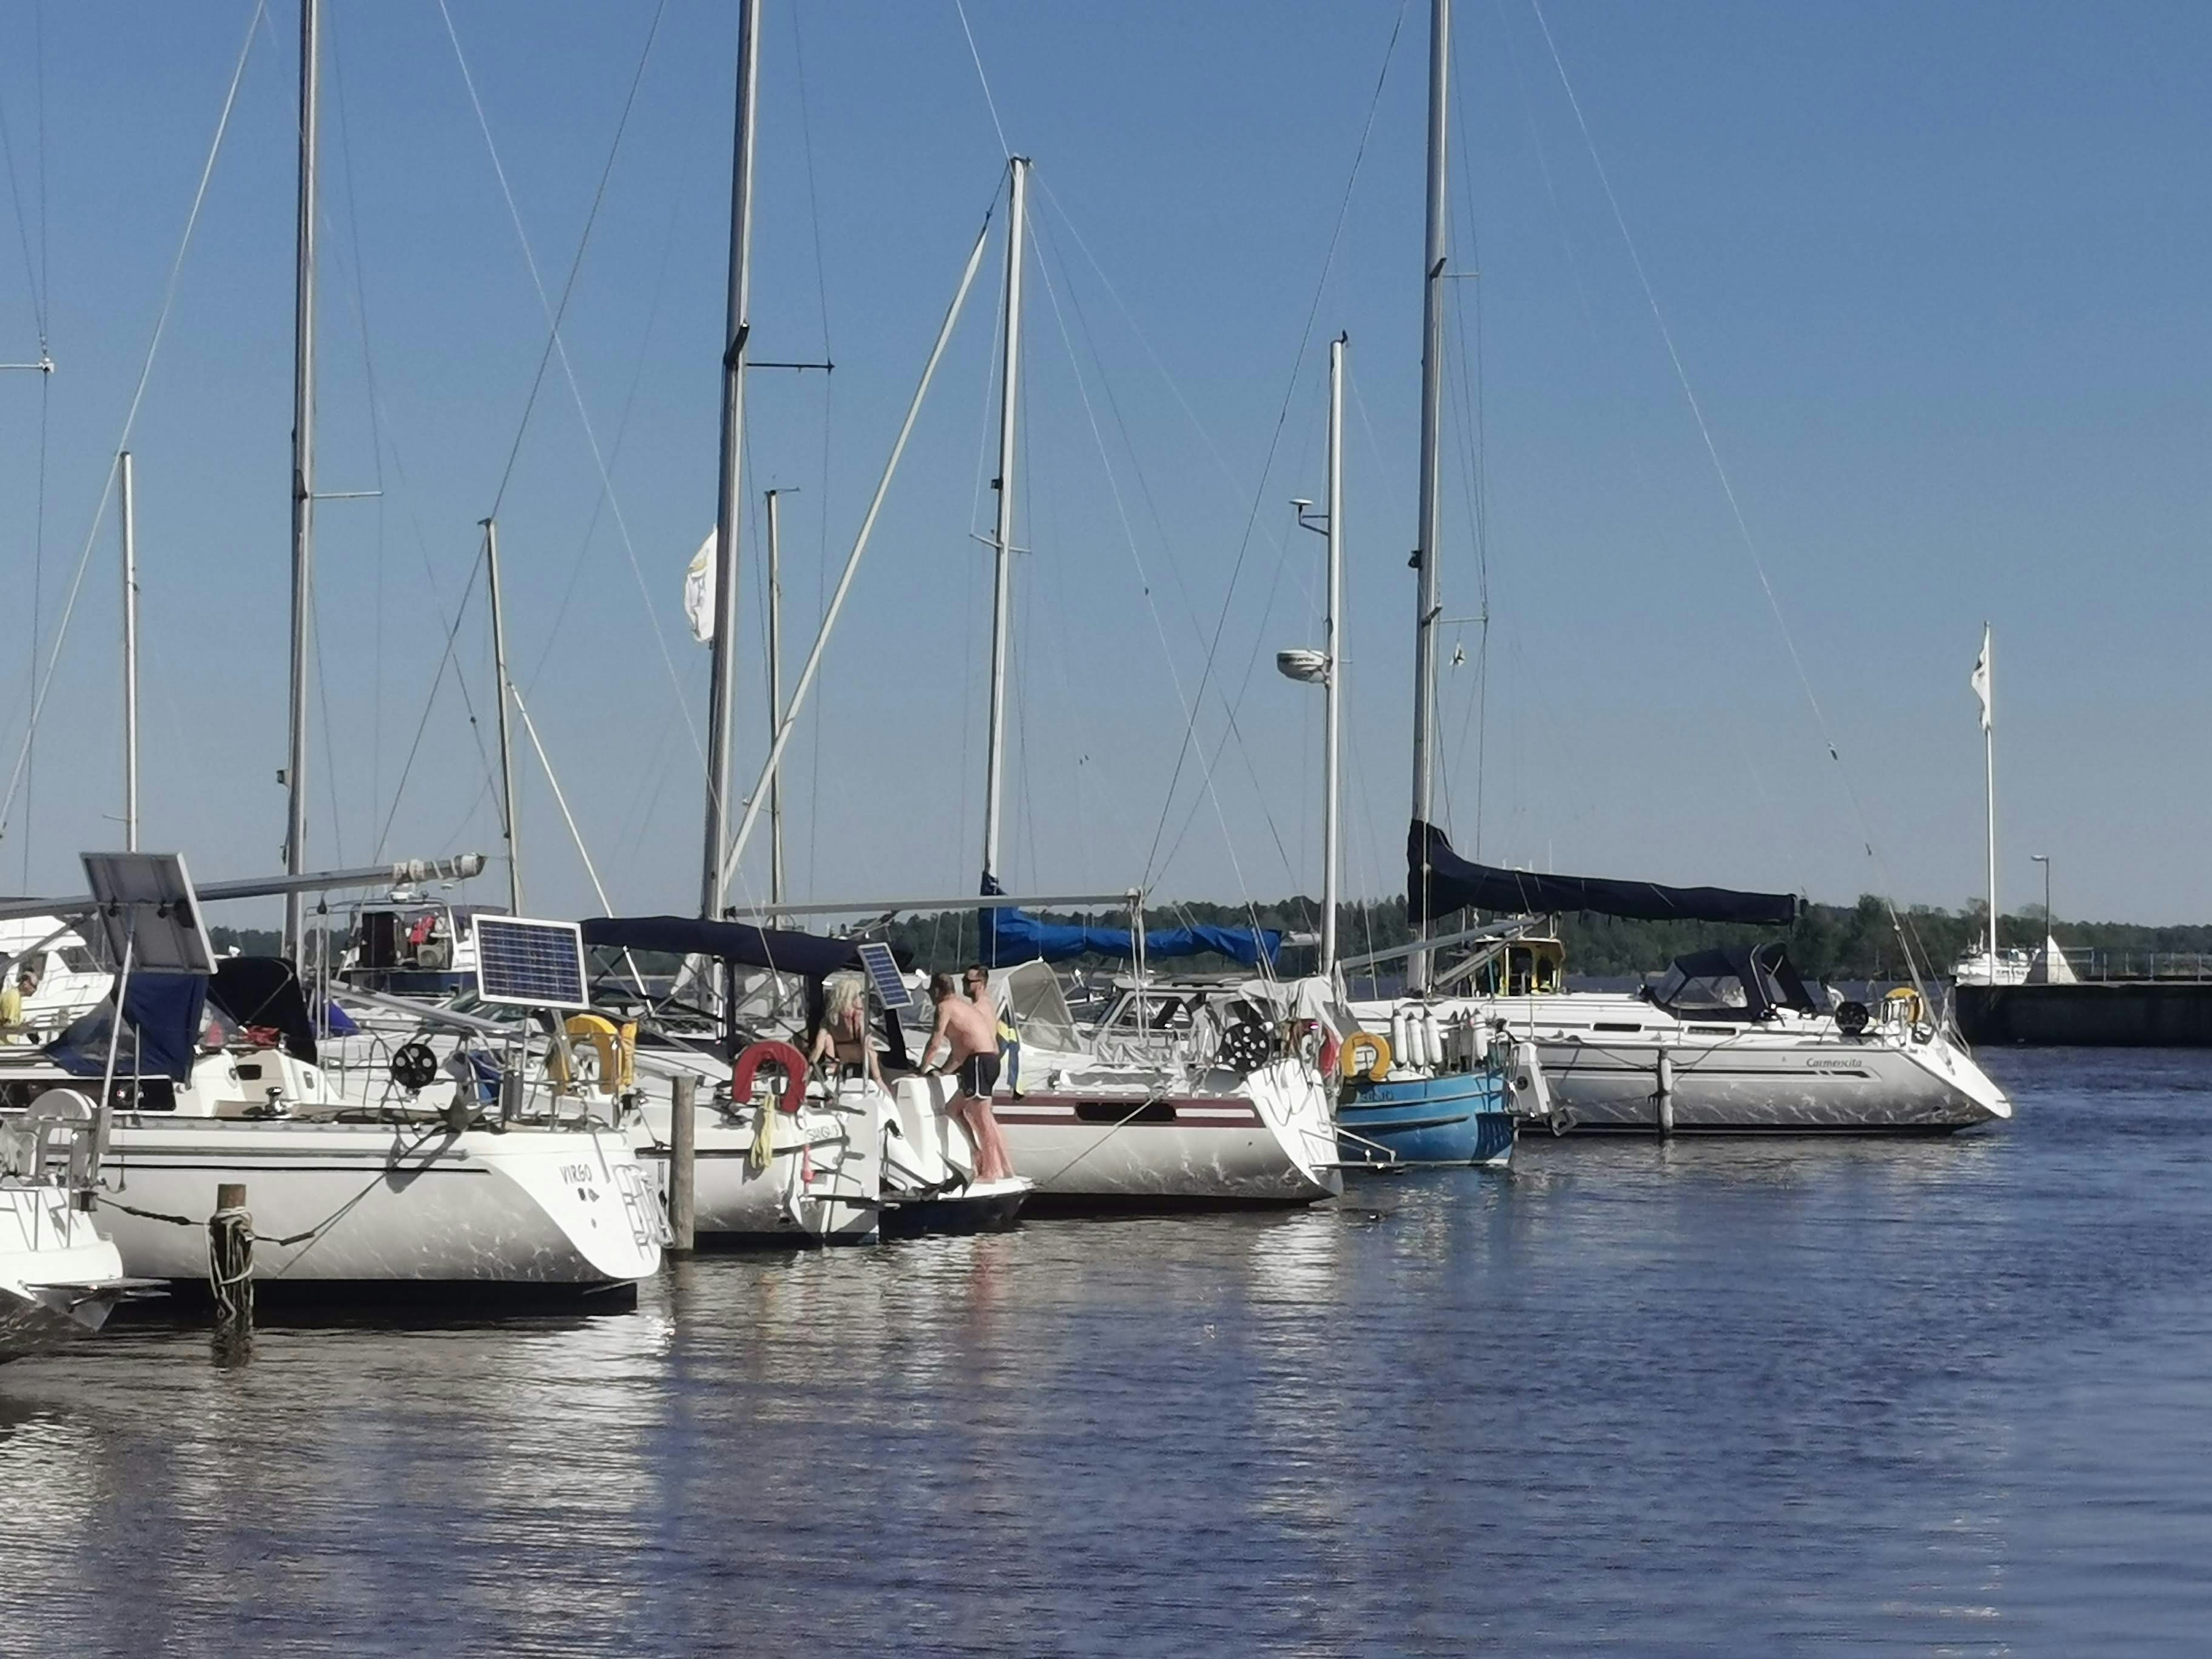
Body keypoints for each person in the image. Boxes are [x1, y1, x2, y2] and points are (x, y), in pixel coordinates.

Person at [923, 970, 1016, 1183]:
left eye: (930, 991)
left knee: (982, 1118)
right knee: (956, 1109)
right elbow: (962, 1048)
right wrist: (944, 1070)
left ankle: (991, 1171)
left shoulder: (945, 1007)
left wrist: (922, 1068)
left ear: (937, 991)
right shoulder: (966, 1007)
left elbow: (935, 1043)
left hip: (979, 1062)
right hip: (987, 1060)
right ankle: (994, 1163)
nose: (929, 996)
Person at [808, 972, 889, 1093]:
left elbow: (819, 1047)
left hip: (843, 1065)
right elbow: (868, 1048)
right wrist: (879, 1079)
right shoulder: (858, 1017)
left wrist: (807, 1072)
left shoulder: (829, 1018)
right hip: (863, 1067)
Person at [964, 964, 1022, 1099]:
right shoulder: (988, 1004)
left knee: (980, 1111)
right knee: (957, 1108)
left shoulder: (978, 1009)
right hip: (991, 1060)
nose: (964, 984)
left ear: (980, 984)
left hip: (982, 1061)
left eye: (968, 981)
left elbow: (973, 1040)